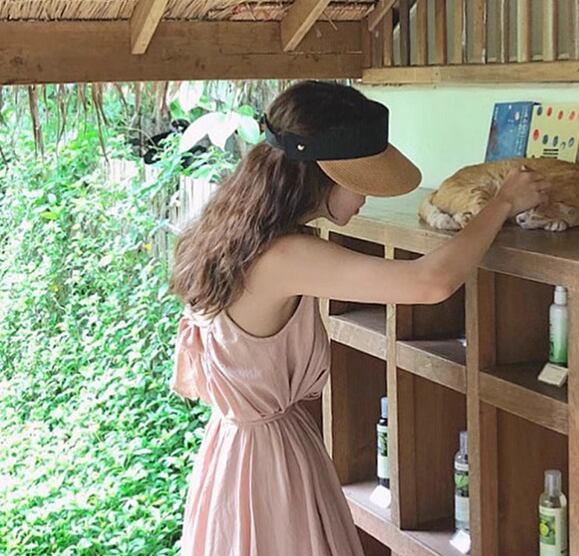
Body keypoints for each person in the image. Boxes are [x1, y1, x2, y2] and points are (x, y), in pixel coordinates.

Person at [167, 80, 551, 555]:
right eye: (361, 180)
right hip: (269, 471)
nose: (368, 196)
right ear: (323, 175)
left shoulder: (236, 233)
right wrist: (503, 202)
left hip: (235, 458)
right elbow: (430, 283)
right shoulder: (284, 256)